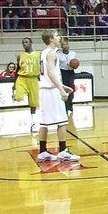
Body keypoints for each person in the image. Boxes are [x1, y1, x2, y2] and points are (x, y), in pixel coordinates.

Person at [36, 30, 80, 163]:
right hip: (51, 91)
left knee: (43, 123)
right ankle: (62, 151)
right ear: (51, 39)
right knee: (62, 121)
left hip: (44, 89)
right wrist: (61, 89)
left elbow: (49, 74)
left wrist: (61, 85)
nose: (59, 38)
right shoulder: (52, 53)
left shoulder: (43, 53)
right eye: (56, 36)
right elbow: (50, 72)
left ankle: (42, 151)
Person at [14, 37, 40, 131]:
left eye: (26, 42)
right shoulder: (20, 56)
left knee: (33, 104)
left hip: (33, 79)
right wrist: (14, 86)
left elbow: (41, 67)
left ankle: (33, 123)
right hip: (22, 78)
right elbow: (17, 70)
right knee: (18, 97)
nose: (25, 44)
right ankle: (15, 93)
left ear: (31, 43)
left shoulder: (38, 54)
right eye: (23, 43)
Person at [56, 37, 77, 115]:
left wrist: (75, 65)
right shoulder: (58, 54)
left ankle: (70, 106)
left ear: (69, 45)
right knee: (64, 89)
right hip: (62, 72)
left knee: (71, 88)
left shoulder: (73, 53)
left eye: (66, 44)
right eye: (63, 45)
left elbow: (75, 63)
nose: (65, 46)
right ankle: (65, 107)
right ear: (61, 46)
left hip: (71, 72)